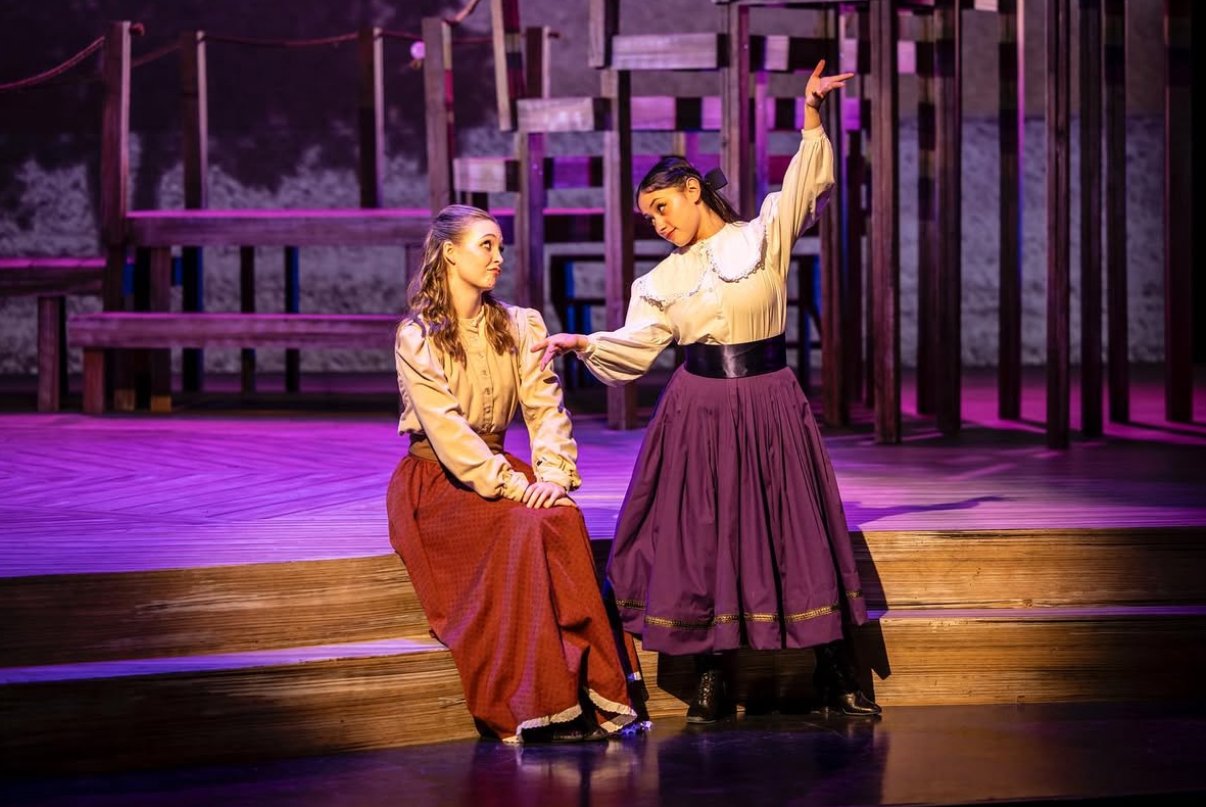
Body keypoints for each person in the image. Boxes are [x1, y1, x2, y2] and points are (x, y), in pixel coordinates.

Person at [533, 60, 880, 723]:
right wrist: (584, 343)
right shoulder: (660, 282)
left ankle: (833, 669)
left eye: (662, 208)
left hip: (770, 402)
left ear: (693, 190)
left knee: (794, 530)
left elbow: (805, 184)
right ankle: (712, 674)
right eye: (649, 218)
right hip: (699, 409)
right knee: (705, 537)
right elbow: (637, 345)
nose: (658, 224)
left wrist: (810, 113)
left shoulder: (763, 235)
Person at [386, 204, 646, 744]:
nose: (498, 257)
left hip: (504, 469)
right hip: (438, 482)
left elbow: (546, 409)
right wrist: (515, 486)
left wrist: (552, 475)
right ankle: (537, 701)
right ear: (450, 253)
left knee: (562, 517)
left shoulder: (519, 324)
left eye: (500, 246)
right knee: (525, 526)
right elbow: (448, 432)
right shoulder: (417, 336)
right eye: (486, 245)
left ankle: (588, 690)